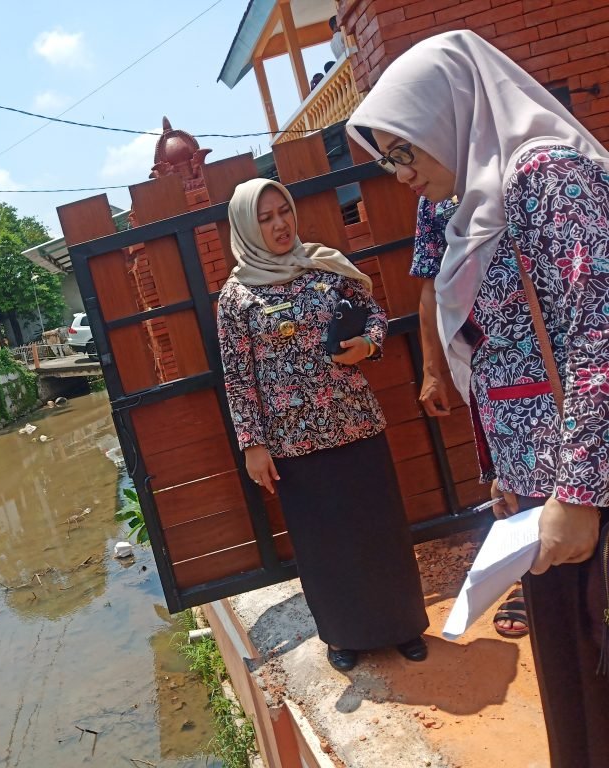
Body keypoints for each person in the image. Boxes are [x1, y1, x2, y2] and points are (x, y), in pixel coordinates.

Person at [349, 30, 609, 767]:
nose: (400, 173)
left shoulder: (550, 178)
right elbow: (495, 351)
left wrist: (579, 493)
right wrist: (504, 472)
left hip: (585, 491)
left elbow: (598, 335)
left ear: (450, 112)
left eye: (404, 150)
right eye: (387, 159)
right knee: (577, 688)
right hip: (539, 497)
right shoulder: (469, 203)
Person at [217, 178, 430, 672]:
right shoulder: (236, 297)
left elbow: (373, 313)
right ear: (246, 226)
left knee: (381, 530)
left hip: (355, 422)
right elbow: (238, 377)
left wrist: (369, 344)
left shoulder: (323, 265)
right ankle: (343, 635)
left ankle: (403, 626)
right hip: (294, 443)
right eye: (265, 218)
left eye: (283, 212)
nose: (279, 224)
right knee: (324, 545)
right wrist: (252, 444)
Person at [412, 195, 530, 639]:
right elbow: (430, 286)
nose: (402, 173)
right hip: (488, 363)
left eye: (404, 160)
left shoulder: (520, 170)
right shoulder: (433, 201)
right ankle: (526, 579)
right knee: (510, 474)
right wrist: (432, 371)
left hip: (555, 345)